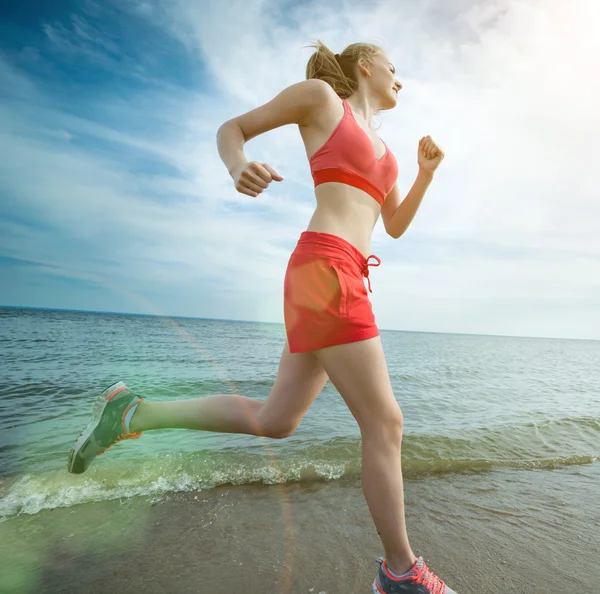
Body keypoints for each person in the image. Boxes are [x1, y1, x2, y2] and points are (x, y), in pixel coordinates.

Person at [67, 40, 454, 594]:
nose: (402, 79)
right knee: (385, 422)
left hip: (346, 272)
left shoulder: (388, 152)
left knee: (277, 419)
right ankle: (400, 573)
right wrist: (238, 166)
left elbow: (392, 226)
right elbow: (233, 127)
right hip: (324, 267)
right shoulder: (322, 101)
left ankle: (132, 414)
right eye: (396, 67)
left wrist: (425, 175)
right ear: (365, 66)